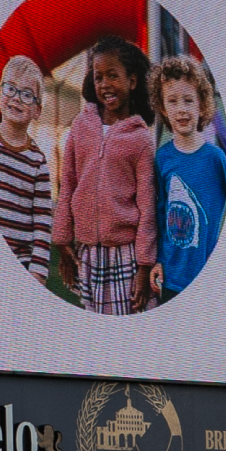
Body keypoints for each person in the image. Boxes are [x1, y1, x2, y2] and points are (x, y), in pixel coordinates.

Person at [52, 36, 159, 314]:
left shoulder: (141, 139)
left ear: (132, 81)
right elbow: (68, 185)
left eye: (113, 76)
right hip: (87, 251)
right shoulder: (80, 126)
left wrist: (144, 265)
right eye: (98, 77)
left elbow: (148, 206)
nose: (104, 85)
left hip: (126, 253)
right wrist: (63, 240)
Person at [150, 55, 226, 303]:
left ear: (202, 105)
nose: (182, 109)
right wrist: (159, 261)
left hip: (208, 277)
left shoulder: (215, 158)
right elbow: (160, 214)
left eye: (188, 100)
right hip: (171, 278)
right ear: (163, 108)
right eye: (172, 101)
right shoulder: (162, 158)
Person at [0, 55, 53, 283]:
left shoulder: (37, 160)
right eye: (10, 88)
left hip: (18, 265)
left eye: (27, 94)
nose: (17, 98)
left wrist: (37, 271)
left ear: (37, 111)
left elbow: (42, 220)